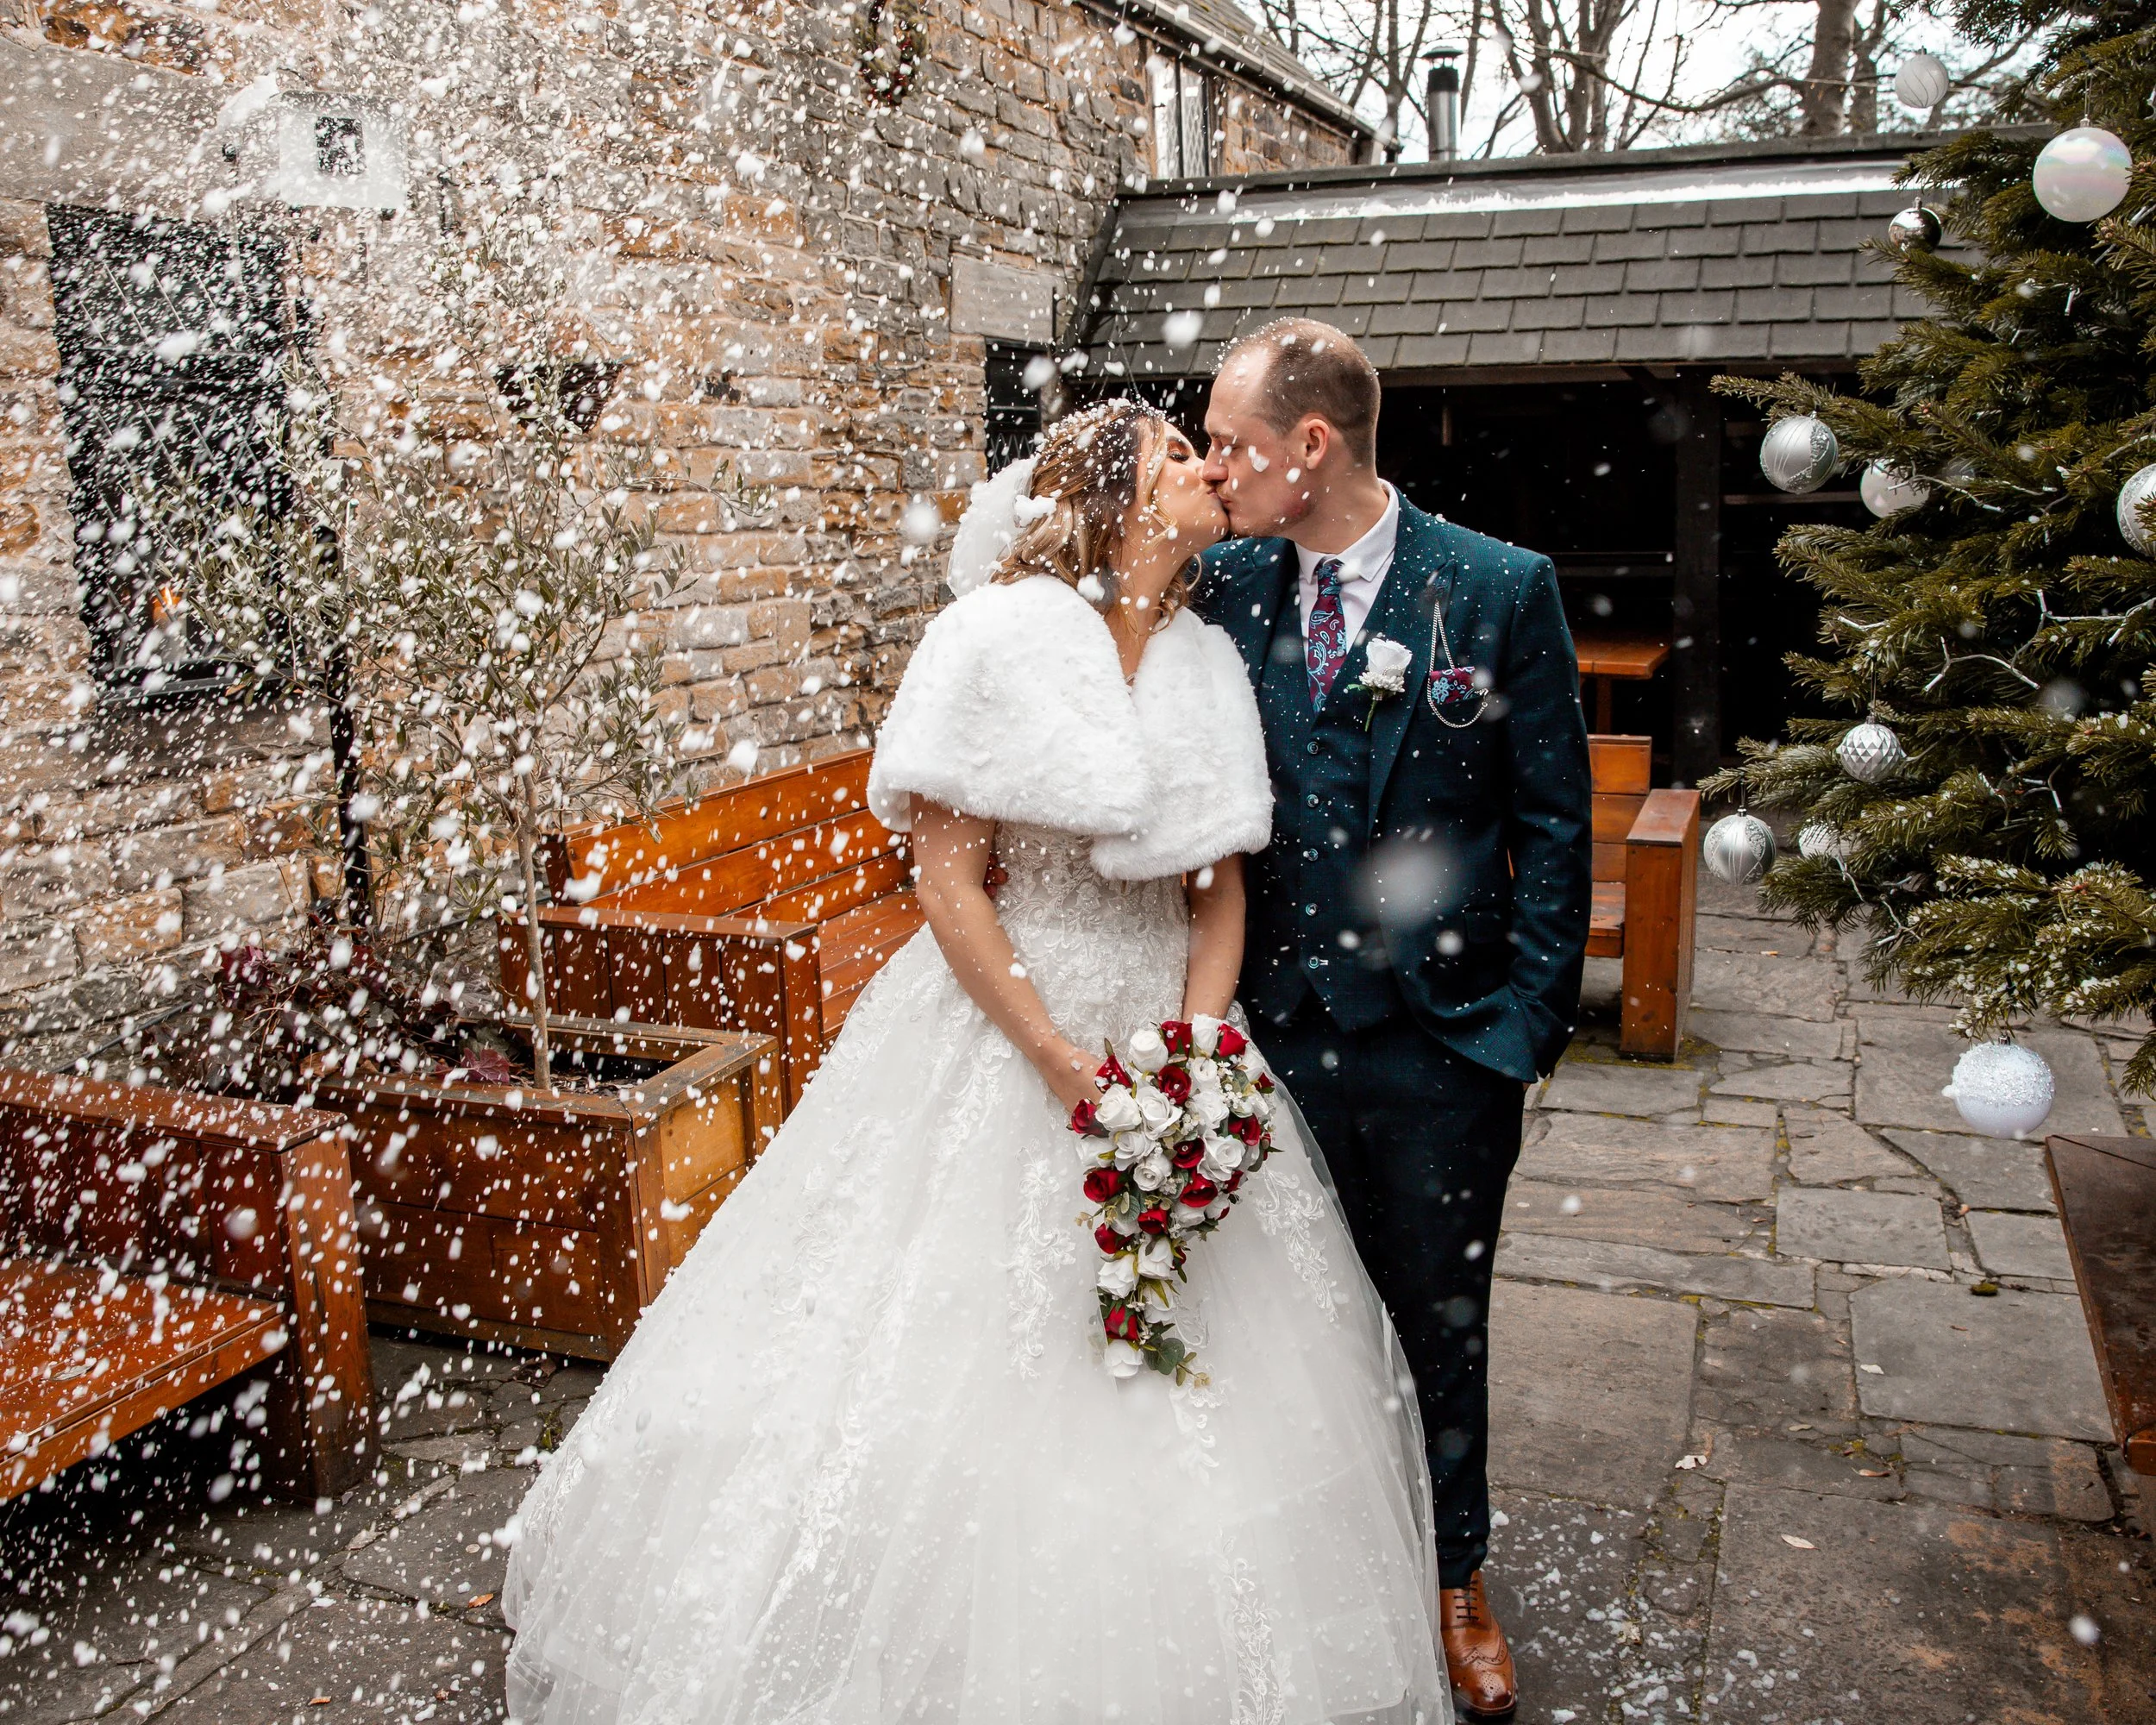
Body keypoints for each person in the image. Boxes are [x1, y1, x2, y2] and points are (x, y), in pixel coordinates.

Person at [501, 398, 1456, 1725]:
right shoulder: (992, 641)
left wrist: (1195, 1053)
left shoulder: (1204, 658)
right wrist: (1063, 1062)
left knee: (1193, 1336)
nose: (1205, 470)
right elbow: (948, 885)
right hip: (1010, 1018)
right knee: (946, 1340)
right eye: (1177, 457)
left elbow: (1219, 886)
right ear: (1116, 499)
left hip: (1163, 1024)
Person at [1196, 318, 1594, 1723]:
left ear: (1314, 446)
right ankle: (1305, 1570)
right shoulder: (1223, 583)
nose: (1211, 468)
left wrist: (1525, 1025)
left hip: (1442, 1044)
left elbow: (1553, 819)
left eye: (1233, 444)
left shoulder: (1493, 589)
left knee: (1440, 1318)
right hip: (1264, 1035)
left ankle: (1454, 1580)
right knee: (1280, 1320)